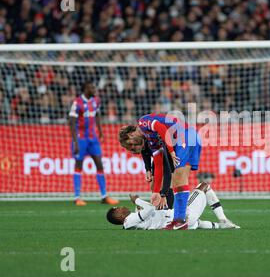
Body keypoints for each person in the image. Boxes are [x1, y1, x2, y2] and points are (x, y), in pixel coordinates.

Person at [118, 113, 202, 230]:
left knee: (178, 178)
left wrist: (172, 152)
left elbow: (161, 128)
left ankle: (180, 220)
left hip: (184, 136)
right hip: (191, 136)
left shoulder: (143, 123)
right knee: (181, 179)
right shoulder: (151, 140)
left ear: (131, 133)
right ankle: (179, 219)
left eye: (132, 144)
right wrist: (156, 192)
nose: (134, 147)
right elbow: (158, 166)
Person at [106, 183, 240, 230]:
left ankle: (222, 225)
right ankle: (223, 220)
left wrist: (138, 205)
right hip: (179, 217)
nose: (121, 207)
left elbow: (149, 211)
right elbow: (150, 208)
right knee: (204, 186)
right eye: (118, 209)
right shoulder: (129, 221)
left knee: (197, 223)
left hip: (175, 220)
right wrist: (136, 200)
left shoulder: (133, 220)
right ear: (118, 216)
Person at [68, 81, 119, 206]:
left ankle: (104, 196)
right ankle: (77, 197)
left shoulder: (96, 101)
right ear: (85, 88)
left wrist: (100, 132)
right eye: (92, 87)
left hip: (93, 138)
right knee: (78, 166)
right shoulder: (77, 103)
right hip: (80, 139)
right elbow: (71, 123)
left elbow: (97, 115)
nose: (94, 89)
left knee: (99, 165)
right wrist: (75, 142)